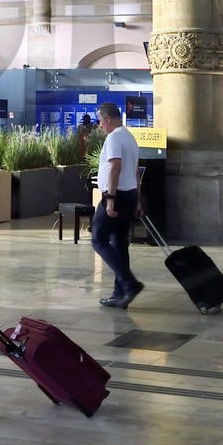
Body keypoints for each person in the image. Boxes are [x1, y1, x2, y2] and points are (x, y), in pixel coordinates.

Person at [90, 101, 143, 308]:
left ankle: (129, 284)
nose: (99, 125)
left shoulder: (113, 138)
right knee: (120, 244)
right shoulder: (130, 137)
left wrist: (110, 199)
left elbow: (115, 168)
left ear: (108, 119)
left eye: (100, 121)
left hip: (117, 196)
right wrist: (137, 199)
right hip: (129, 195)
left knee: (98, 239)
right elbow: (136, 172)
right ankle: (120, 295)